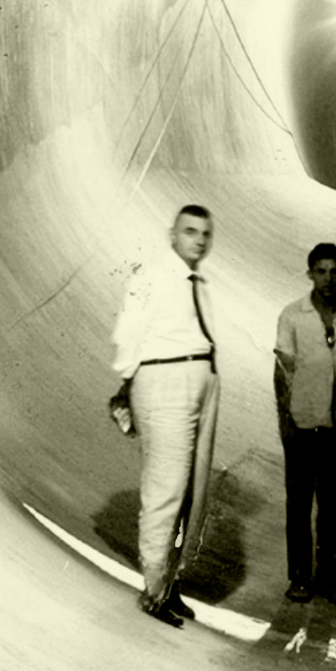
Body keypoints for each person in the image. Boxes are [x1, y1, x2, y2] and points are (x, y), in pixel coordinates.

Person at [110, 205, 221, 628]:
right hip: (165, 381)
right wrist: (128, 382)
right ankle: (154, 590)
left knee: (193, 493)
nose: (199, 240)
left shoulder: (198, 283)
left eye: (205, 233)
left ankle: (170, 583)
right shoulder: (150, 276)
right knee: (166, 489)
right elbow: (128, 333)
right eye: (190, 231)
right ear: (172, 234)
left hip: (201, 383)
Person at [273, 242, 336, 607]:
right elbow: (282, 372)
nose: (328, 278)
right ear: (310, 274)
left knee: (334, 508)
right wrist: (285, 421)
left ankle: (330, 579)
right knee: (299, 506)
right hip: (302, 425)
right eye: (321, 271)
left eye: (335, 272)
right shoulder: (292, 315)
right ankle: (300, 578)